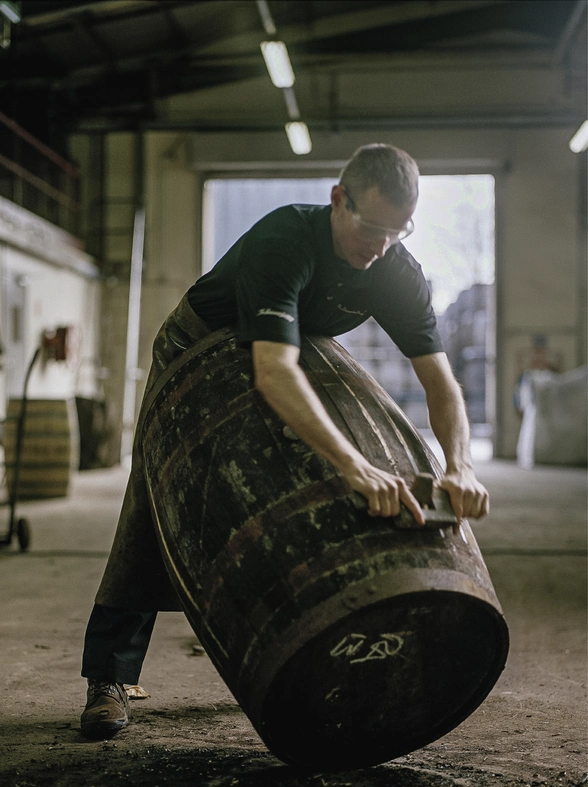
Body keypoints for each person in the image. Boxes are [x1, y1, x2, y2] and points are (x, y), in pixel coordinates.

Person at [79, 143, 489, 739]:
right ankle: (107, 677)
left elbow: (441, 383)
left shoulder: (395, 270)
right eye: (371, 227)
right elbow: (270, 370)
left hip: (296, 351)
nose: (379, 246)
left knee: (305, 479)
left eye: (397, 233)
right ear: (337, 201)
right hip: (199, 347)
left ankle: (288, 642)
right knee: (156, 499)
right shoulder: (286, 240)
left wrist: (461, 465)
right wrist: (352, 465)